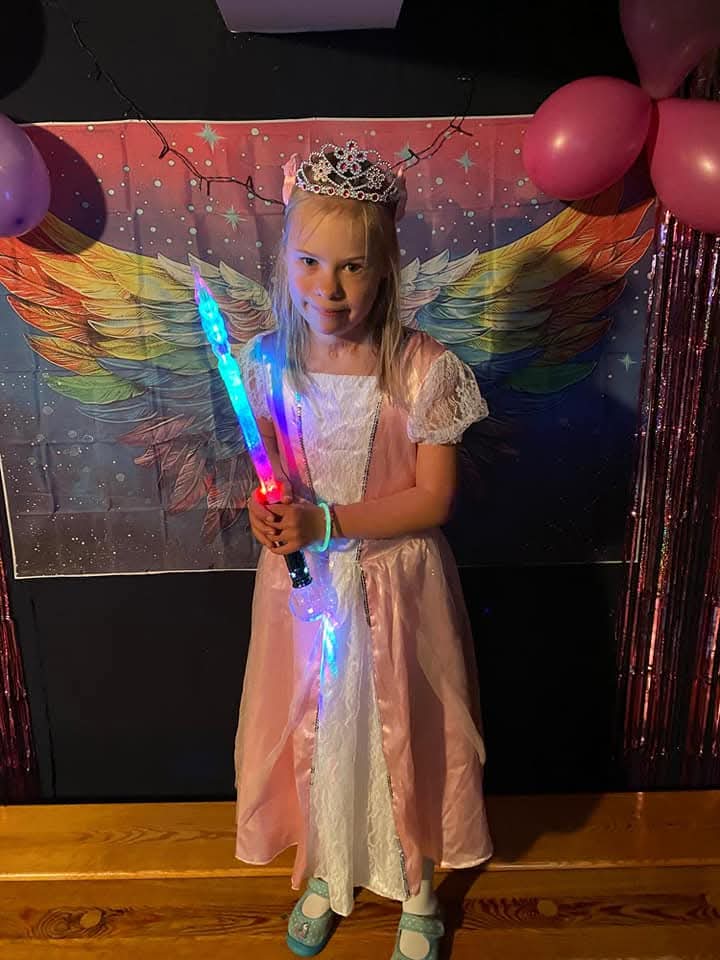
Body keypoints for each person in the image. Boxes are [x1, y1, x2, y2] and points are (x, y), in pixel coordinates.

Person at [234, 140, 493, 960]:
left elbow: (433, 499)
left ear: (386, 269)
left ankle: (416, 882)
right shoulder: (265, 363)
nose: (330, 288)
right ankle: (327, 863)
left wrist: (327, 522)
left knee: (404, 729)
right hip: (303, 589)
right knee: (317, 723)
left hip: (395, 586)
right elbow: (271, 476)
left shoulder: (425, 369)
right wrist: (266, 515)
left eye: (354, 267)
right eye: (310, 262)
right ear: (284, 260)